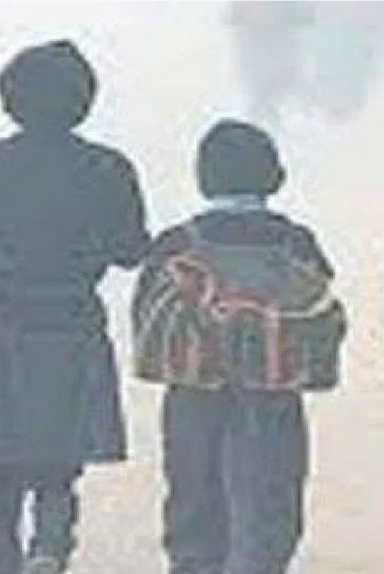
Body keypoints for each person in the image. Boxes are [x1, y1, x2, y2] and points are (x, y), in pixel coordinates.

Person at [0, 40, 150, 574]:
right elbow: (130, 250)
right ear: (85, 101)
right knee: (58, 466)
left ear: (9, 100)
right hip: (71, 323)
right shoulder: (109, 167)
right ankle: (49, 549)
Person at [133, 119, 337, 574]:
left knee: (192, 503)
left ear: (202, 176)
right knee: (270, 507)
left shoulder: (176, 243)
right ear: (275, 176)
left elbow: (145, 319)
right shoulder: (296, 242)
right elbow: (321, 312)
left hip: (193, 394)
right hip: (273, 393)